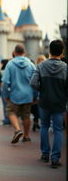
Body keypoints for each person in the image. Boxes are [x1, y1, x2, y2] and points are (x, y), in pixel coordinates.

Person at [30, 40, 67, 168]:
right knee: (58, 130)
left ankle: (45, 154)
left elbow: (33, 83)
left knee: (44, 126)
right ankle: (55, 158)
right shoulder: (66, 68)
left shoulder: (41, 66)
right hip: (59, 103)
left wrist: (43, 90)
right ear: (62, 52)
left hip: (44, 101)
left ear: (49, 51)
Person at [2, 45, 36, 143]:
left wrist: (6, 95)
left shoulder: (10, 64)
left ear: (15, 52)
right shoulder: (31, 64)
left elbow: (5, 83)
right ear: (24, 52)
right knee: (26, 115)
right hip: (28, 95)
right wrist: (35, 95)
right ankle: (26, 136)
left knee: (11, 112)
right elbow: (35, 82)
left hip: (14, 94)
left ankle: (17, 130)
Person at [31, 55, 46, 132]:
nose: (41, 61)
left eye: (42, 59)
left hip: (37, 92)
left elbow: (33, 82)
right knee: (38, 109)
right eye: (40, 60)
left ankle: (35, 122)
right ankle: (36, 122)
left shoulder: (36, 68)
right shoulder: (45, 69)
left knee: (36, 109)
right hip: (41, 93)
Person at [0, 59, 10, 125]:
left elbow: (2, 82)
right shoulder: (10, 70)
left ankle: (7, 120)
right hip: (12, 90)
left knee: (5, 105)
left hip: (4, 90)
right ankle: (11, 119)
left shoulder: (2, 72)